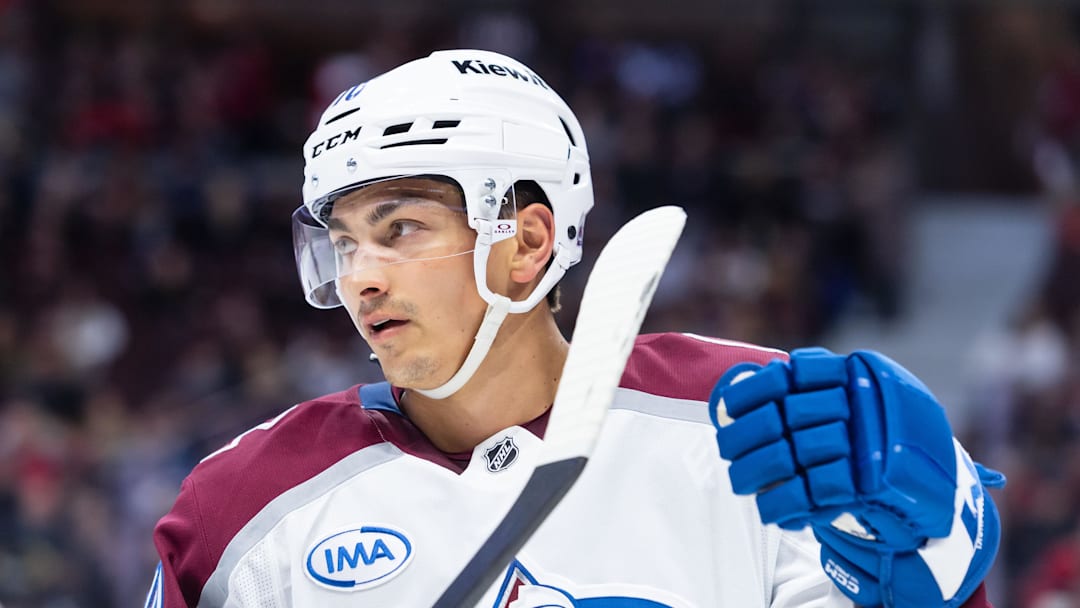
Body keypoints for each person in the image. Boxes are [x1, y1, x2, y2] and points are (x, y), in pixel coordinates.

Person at [146, 49, 1003, 607]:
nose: (362, 275)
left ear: (527, 242)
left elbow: (916, 590)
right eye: (344, 243)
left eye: (400, 229)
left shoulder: (751, 423)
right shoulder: (242, 507)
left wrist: (928, 550)